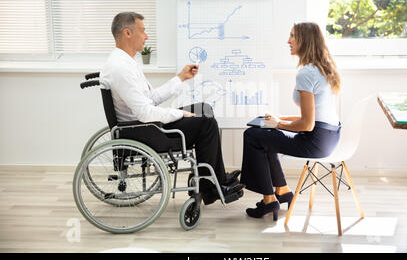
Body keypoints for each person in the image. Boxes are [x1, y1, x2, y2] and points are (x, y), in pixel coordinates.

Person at [100, 12, 244, 205]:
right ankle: (210, 188)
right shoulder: (120, 68)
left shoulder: (127, 63)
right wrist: (180, 113)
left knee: (205, 109)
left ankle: (217, 178)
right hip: (143, 131)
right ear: (127, 33)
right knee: (206, 122)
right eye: (143, 31)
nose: (146, 36)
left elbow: (150, 98)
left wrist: (181, 77)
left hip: (145, 126)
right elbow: (145, 112)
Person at [240, 22, 341, 220]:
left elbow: (307, 125)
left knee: (252, 135)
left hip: (315, 141)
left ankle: (269, 201)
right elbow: (314, 118)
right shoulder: (324, 69)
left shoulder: (307, 73)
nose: (288, 41)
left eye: (293, 36)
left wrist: (278, 124)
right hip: (329, 138)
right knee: (265, 136)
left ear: (305, 40)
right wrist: (280, 119)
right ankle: (283, 191)